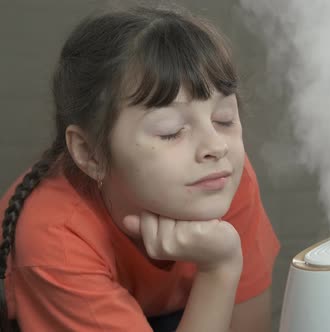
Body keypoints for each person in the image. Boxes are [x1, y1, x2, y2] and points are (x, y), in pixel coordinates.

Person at [0, 5, 280, 332]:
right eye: (171, 130)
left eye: (224, 120)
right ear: (90, 153)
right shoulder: (54, 239)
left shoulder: (220, 177)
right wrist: (219, 270)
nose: (216, 147)